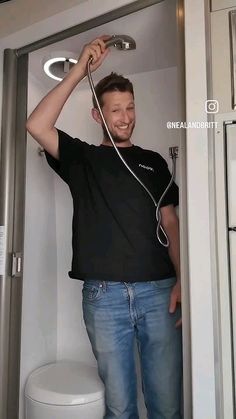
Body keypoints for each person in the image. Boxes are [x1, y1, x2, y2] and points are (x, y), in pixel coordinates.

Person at [26, 35, 182, 419]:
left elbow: (170, 221)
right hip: (104, 298)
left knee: (166, 404)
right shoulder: (83, 158)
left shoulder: (154, 162)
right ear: (98, 114)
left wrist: (181, 278)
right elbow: (36, 124)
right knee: (120, 406)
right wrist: (80, 70)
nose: (125, 116)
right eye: (115, 110)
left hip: (158, 292)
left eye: (130, 107)